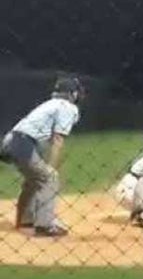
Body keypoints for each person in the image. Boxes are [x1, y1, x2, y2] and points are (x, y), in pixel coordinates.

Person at [0, 76, 83, 237]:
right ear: (72, 94)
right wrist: (52, 166)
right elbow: (57, 139)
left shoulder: (49, 104)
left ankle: (24, 220)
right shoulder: (67, 107)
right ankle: (45, 225)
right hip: (23, 144)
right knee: (49, 177)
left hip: (10, 141)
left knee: (34, 179)